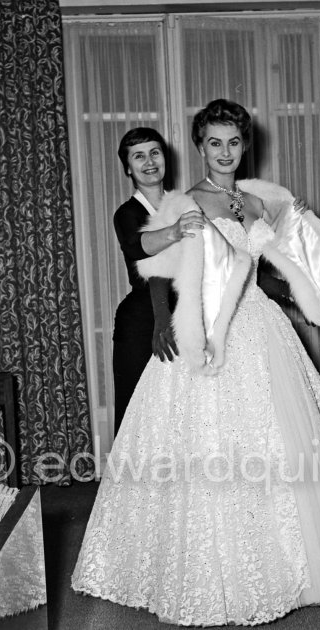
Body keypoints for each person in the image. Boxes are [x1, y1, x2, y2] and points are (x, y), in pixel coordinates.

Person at [72, 100, 320, 626]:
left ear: (246, 146)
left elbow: (265, 272)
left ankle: (295, 563)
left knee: (281, 438)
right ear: (200, 148)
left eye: (234, 142)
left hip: (262, 326)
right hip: (208, 329)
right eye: (214, 143)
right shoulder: (182, 202)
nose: (225, 152)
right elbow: (153, 264)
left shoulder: (259, 201)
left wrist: (301, 292)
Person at [109, 127, 206, 434]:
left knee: (185, 412)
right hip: (142, 321)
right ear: (128, 168)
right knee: (137, 411)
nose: (149, 161)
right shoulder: (127, 213)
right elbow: (139, 247)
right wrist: (175, 231)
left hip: (186, 315)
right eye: (138, 156)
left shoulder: (185, 203)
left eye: (155, 153)